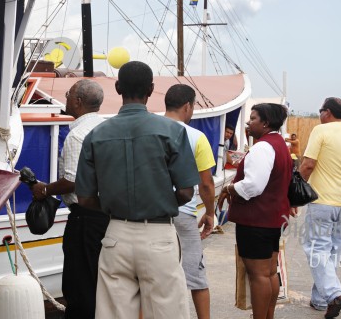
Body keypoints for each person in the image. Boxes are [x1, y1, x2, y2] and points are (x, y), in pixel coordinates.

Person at [75, 61, 198, 319]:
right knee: (167, 313)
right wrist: (159, 199)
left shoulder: (95, 136)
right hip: (158, 234)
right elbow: (187, 192)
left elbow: (85, 199)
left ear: (117, 87)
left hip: (115, 235)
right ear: (151, 89)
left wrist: (112, 203)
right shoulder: (172, 132)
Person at [29, 79, 108, 318]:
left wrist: (44, 190)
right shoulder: (106, 129)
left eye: (68, 94)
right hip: (107, 217)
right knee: (99, 282)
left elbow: (74, 181)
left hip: (84, 220)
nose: (65, 97)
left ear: (78, 102)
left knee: (79, 284)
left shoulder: (76, 136)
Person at [217, 103, 293, 319]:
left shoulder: (263, 147)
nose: (249, 123)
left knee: (258, 275)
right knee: (269, 273)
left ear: (266, 123)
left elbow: (253, 186)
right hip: (271, 218)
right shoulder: (279, 144)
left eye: (253, 118)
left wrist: (230, 188)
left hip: (256, 220)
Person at [298, 97, 341, 318]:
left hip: (322, 203)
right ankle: (319, 300)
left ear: (327, 112)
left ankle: (334, 294)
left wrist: (293, 193)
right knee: (332, 252)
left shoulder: (321, 131)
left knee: (317, 250)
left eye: (320, 111)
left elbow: (308, 164)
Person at [164, 84, 216, 319]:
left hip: (153, 213)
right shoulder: (196, 136)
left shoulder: (150, 129)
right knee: (195, 275)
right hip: (183, 213)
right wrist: (210, 213)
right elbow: (206, 184)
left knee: (155, 277)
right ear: (188, 106)